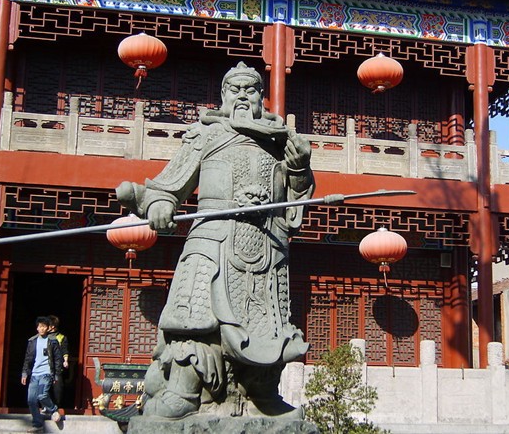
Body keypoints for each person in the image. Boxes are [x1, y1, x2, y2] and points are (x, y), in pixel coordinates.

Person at [116, 62, 315, 419]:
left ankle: (261, 394)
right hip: (212, 240)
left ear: (262, 97)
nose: (242, 96)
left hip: (265, 243)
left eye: (251, 90)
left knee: (267, 322)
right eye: (235, 90)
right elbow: (169, 184)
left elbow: (296, 200)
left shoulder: (280, 140)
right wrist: (160, 204)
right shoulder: (205, 135)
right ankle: (184, 391)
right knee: (195, 318)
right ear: (223, 96)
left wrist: (299, 168)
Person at [21, 316, 63, 433]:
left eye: (44, 326)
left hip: (46, 373)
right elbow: (28, 358)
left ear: (48, 328)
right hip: (34, 374)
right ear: (37, 328)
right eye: (40, 326)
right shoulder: (32, 341)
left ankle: (53, 410)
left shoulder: (53, 341)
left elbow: (58, 359)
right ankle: (37, 424)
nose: (42, 328)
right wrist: (24, 373)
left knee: (42, 395)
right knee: (31, 400)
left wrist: (56, 374)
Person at [47, 315, 69, 409]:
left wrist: (65, 361)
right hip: (45, 365)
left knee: (57, 387)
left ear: (52, 326)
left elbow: (65, 350)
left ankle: (57, 406)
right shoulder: (43, 337)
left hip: (57, 366)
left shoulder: (61, 337)